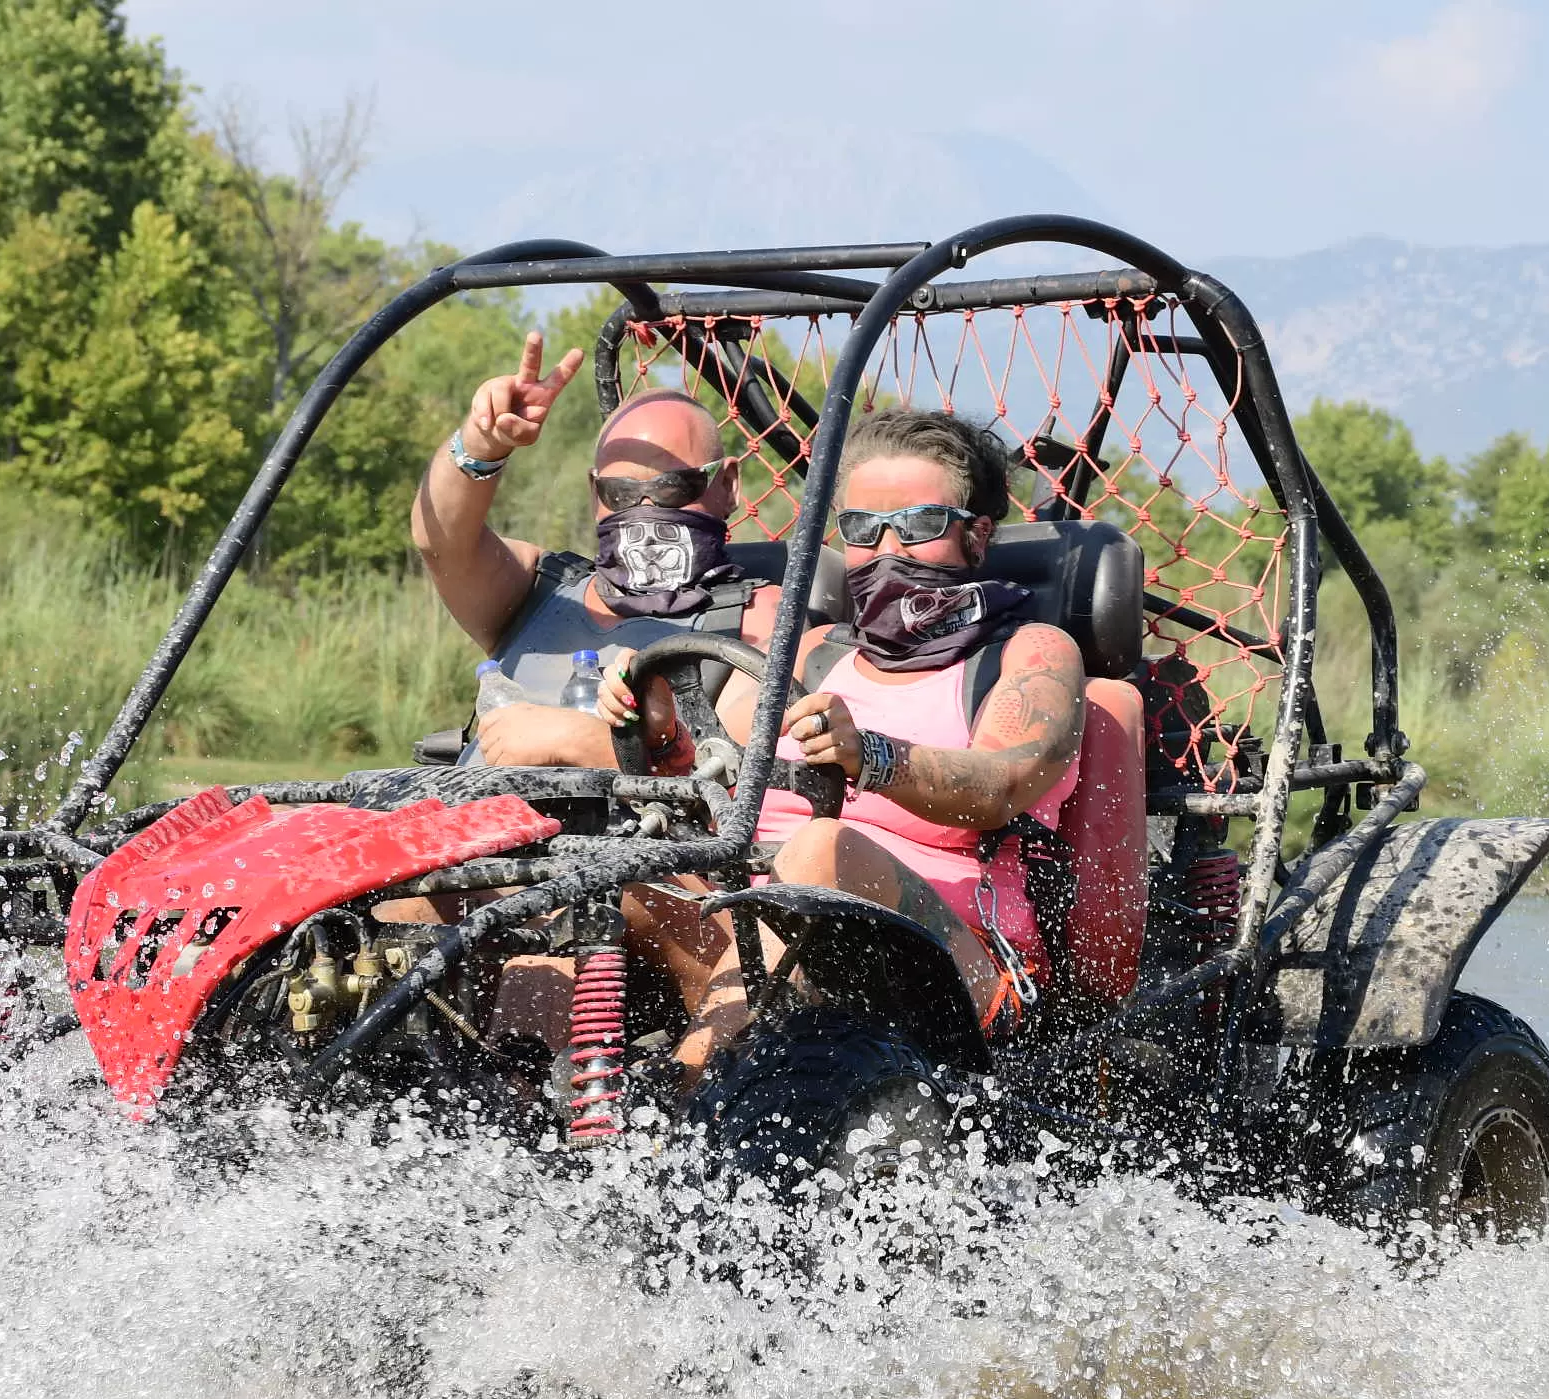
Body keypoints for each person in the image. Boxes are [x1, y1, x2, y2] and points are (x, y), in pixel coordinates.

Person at [603, 407, 1086, 1045]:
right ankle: (515, 1101)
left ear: (977, 534)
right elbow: (721, 784)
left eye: (918, 526)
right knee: (597, 871)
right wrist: (660, 732)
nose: (888, 550)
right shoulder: (818, 651)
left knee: (819, 851)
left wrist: (872, 756)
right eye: (862, 527)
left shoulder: (1032, 652)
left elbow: (1001, 785)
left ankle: (688, 1109)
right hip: (752, 918)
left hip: (954, 969)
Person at [410, 333, 779, 769]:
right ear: (594, 492)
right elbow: (441, 540)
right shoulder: (537, 590)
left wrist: (578, 740)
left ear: (727, 485)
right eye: (620, 492)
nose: (646, 510)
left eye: (675, 486)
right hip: (464, 824)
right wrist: (482, 444)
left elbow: (744, 783)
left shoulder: (763, 619)